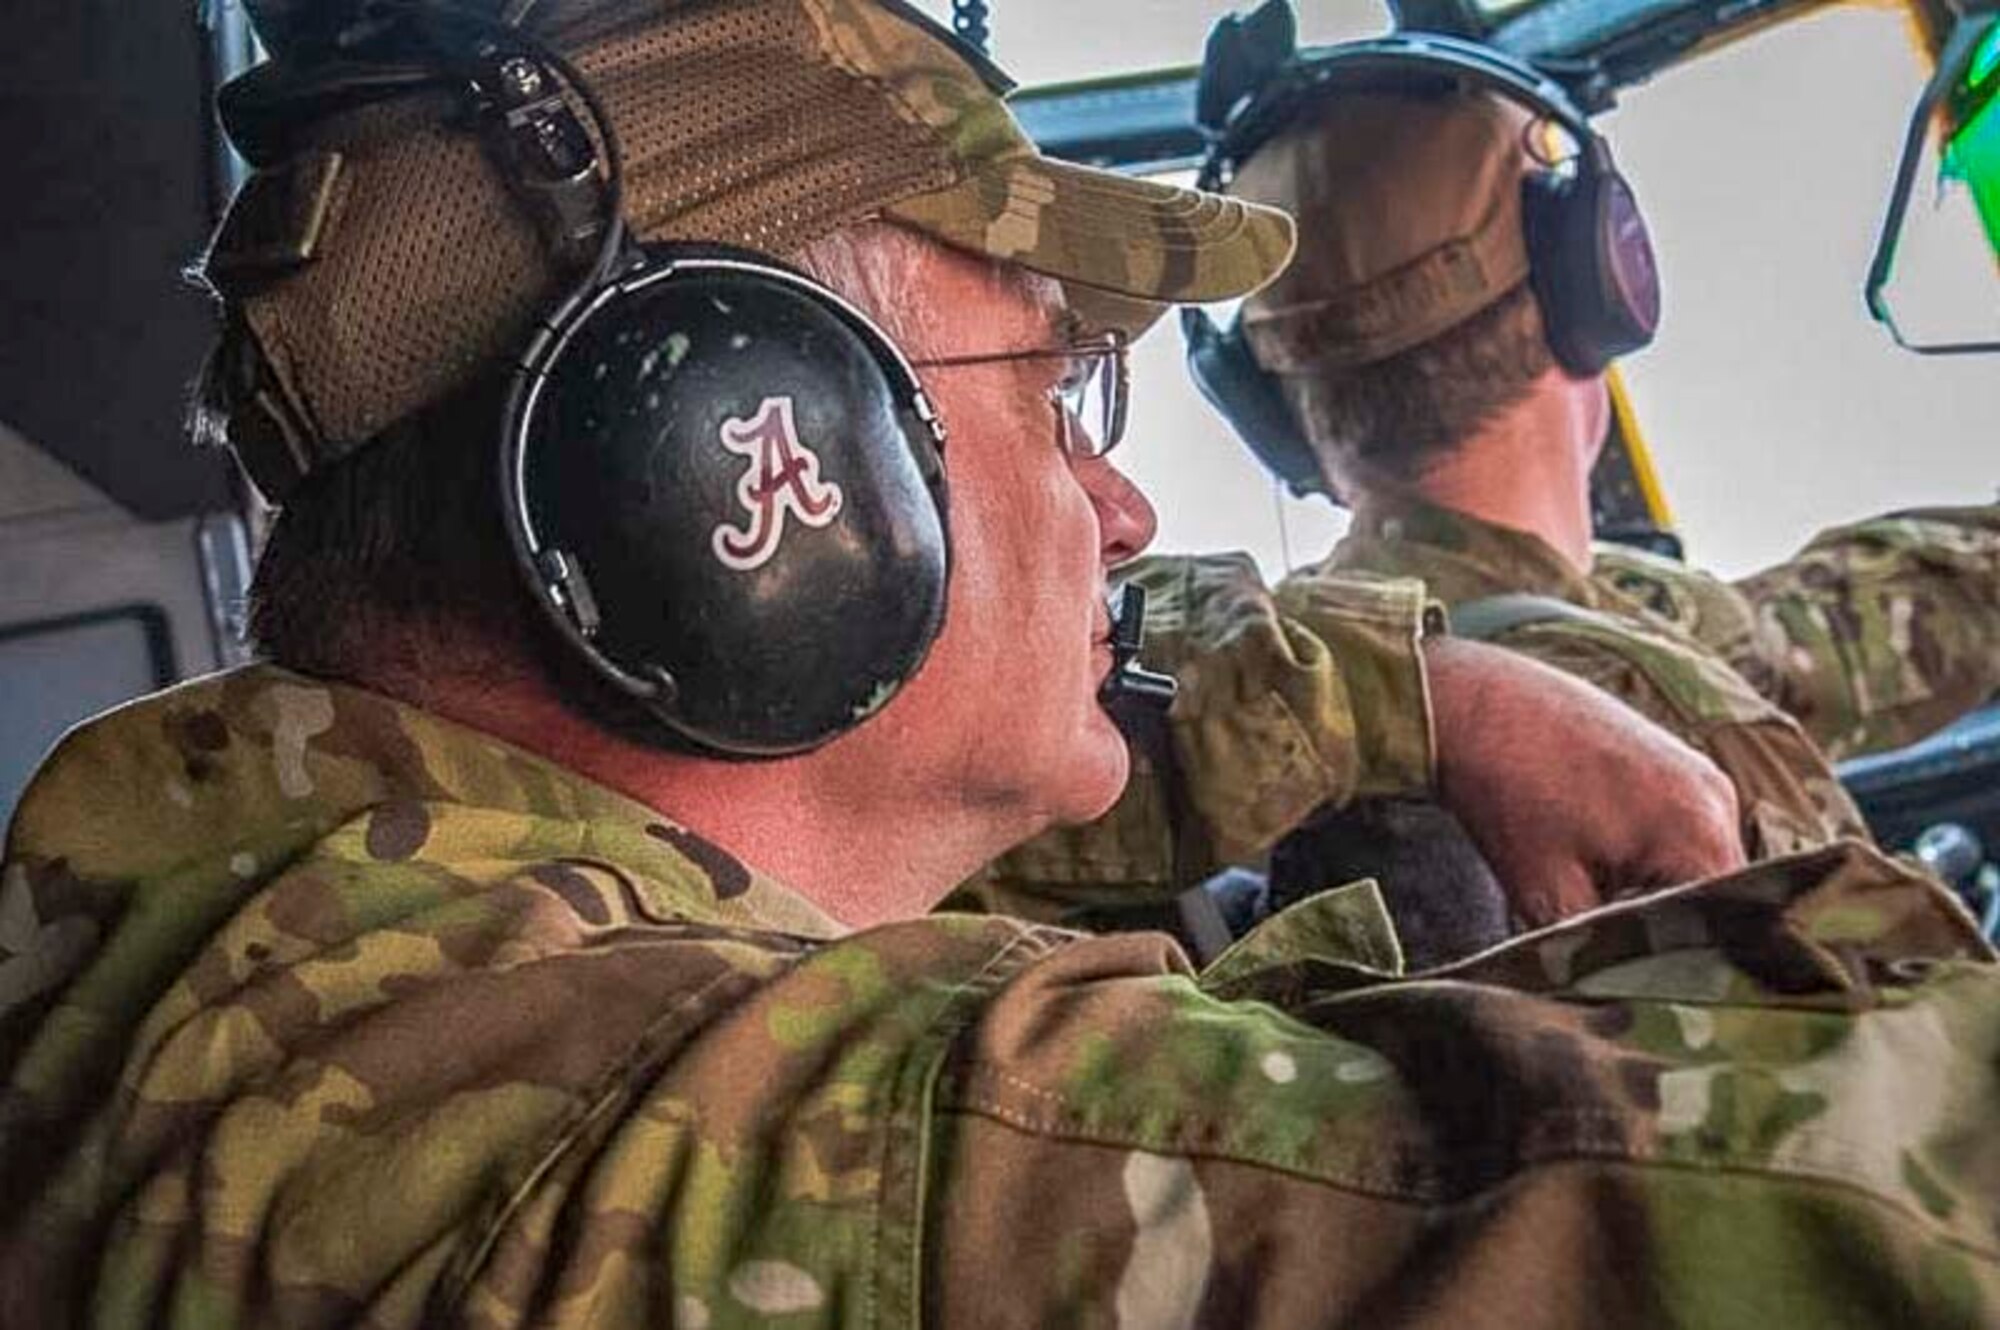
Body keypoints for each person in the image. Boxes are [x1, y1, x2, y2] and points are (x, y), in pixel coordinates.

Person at [2, 1, 1994, 1324]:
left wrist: (1426, 686)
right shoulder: (513, 1143)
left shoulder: (293, 948)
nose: (1124, 519)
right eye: (1065, 389)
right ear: (744, 481)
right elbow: (1852, 1199)